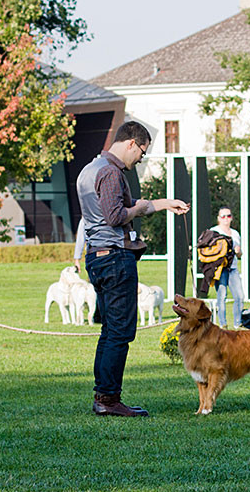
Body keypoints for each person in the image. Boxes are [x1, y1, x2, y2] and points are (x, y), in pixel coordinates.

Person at [77, 121, 189, 417]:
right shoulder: (111, 172)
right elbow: (116, 216)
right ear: (130, 143)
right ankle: (109, 400)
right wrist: (138, 210)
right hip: (115, 258)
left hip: (97, 257)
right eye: (142, 151)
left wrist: (165, 204)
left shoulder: (90, 169)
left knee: (109, 331)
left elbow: (115, 209)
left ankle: (103, 396)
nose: (141, 158)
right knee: (121, 332)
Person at [208, 207, 244, 327]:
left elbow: (239, 254)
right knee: (222, 296)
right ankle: (223, 324)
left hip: (233, 268)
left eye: (228, 216)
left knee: (239, 296)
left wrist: (238, 251)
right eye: (223, 216)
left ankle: (238, 324)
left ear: (231, 218)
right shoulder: (214, 231)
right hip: (220, 269)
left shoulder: (235, 233)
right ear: (218, 218)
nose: (226, 219)